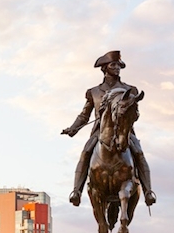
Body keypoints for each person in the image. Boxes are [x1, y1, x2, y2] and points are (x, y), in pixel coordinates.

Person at [62, 50, 156, 207]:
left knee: (139, 153)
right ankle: (76, 191)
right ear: (105, 68)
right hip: (100, 132)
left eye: (119, 65)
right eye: (113, 65)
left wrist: (129, 115)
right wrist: (73, 128)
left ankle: (148, 192)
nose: (117, 68)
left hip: (124, 131)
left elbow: (135, 114)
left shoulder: (130, 90)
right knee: (85, 153)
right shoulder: (94, 92)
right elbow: (84, 116)